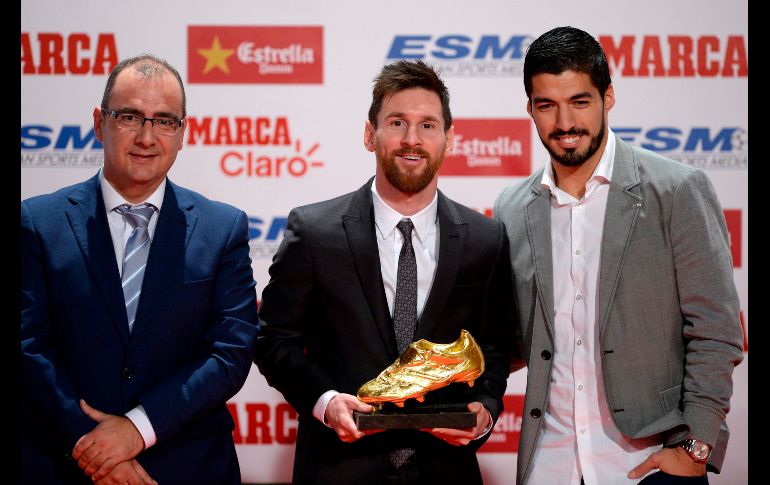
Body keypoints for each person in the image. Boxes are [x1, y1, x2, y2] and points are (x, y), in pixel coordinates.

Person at [493, 26, 744, 485]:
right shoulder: (512, 207)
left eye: (580, 102)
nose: (564, 123)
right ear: (530, 108)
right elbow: (512, 339)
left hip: (650, 463)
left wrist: (696, 446)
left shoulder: (676, 190)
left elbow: (717, 330)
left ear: (608, 97)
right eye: (547, 105)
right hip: (549, 465)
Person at [255, 59, 515, 484]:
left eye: (428, 125)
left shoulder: (485, 240)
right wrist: (325, 402)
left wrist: (485, 411)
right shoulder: (315, 232)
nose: (412, 139)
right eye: (397, 123)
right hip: (338, 470)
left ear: (449, 139)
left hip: (446, 472)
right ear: (369, 134)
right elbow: (273, 341)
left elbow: (494, 347)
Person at [21, 54, 260, 484]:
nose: (147, 137)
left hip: (188, 466)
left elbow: (230, 352)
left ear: (182, 133)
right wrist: (93, 448)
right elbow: (27, 348)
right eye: (130, 117)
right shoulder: (38, 222)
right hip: (65, 462)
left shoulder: (223, 229)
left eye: (165, 121)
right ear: (99, 123)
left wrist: (137, 429)